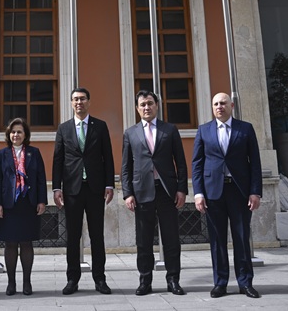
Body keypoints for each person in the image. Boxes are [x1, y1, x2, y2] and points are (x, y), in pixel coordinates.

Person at [192, 92, 263, 299]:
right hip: (213, 192)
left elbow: (255, 163)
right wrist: (198, 193)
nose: (219, 107)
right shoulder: (204, 130)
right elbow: (197, 164)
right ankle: (220, 283)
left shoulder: (245, 128)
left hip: (239, 191)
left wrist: (255, 191)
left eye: (223, 103)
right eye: (215, 104)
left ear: (231, 105)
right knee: (217, 240)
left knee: (241, 238)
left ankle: (245, 283)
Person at [121, 89, 188, 296]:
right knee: (144, 240)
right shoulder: (130, 133)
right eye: (142, 104)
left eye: (150, 103)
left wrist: (182, 189)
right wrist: (127, 193)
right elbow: (126, 167)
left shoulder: (170, 130)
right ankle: (145, 281)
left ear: (156, 105)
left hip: (167, 191)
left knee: (171, 238)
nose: (146, 107)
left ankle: (173, 280)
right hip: (142, 193)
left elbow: (181, 163)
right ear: (137, 108)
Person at [52, 87, 115, 295]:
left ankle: (100, 278)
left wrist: (109, 184)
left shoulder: (100, 126)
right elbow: (58, 159)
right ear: (71, 103)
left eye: (82, 99)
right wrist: (56, 187)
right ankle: (72, 279)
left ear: (89, 102)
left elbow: (108, 157)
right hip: (72, 190)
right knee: (73, 236)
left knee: (97, 235)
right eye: (75, 99)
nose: (79, 103)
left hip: (95, 189)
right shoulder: (64, 128)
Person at [0, 118, 47, 296]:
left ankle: (27, 282)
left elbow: (40, 178)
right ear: (8, 134)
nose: (16, 135)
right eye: (13, 132)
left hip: (28, 202)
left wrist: (42, 201)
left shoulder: (34, 153)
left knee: (26, 242)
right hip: (9, 204)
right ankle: (11, 283)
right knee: (10, 243)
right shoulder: (2, 154)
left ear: (25, 135)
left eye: (19, 132)